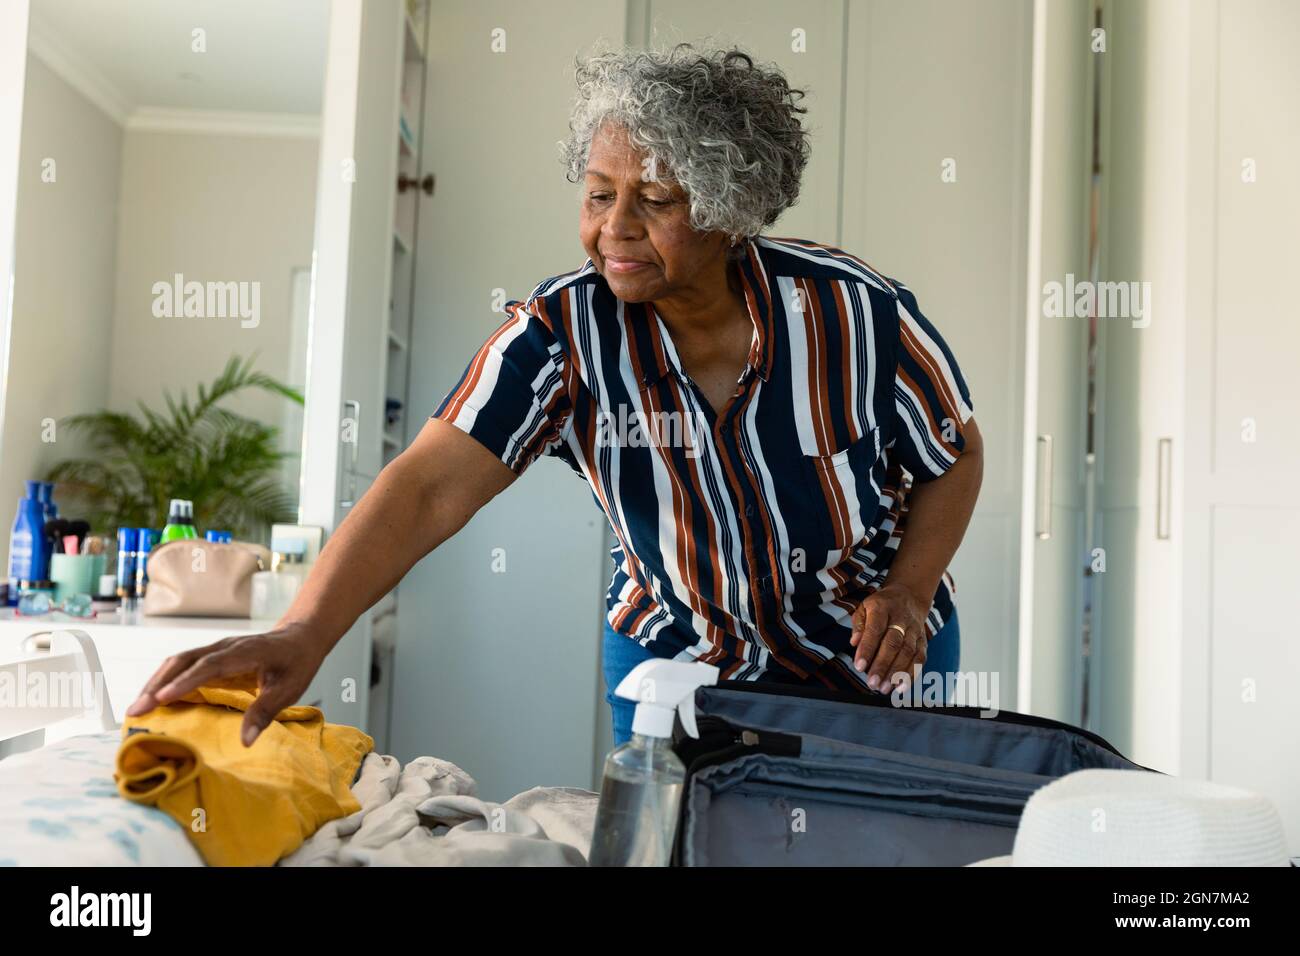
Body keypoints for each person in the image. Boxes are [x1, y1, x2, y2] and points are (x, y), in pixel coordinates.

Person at [128, 45, 983, 747]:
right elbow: (426, 485)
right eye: (599, 195)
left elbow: (955, 453)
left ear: (731, 212)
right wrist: (304, 632)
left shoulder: (853, 312)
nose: (615, 228)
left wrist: (910, 589)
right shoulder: (560, 334)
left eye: (654, 201)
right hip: (676, 655)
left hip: (874, 655)